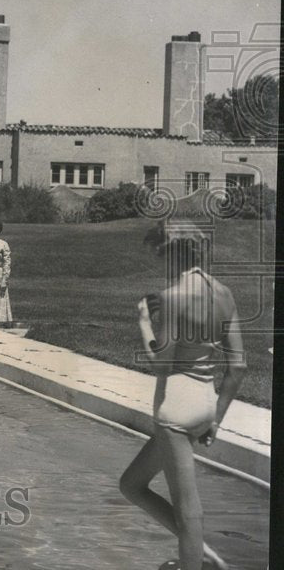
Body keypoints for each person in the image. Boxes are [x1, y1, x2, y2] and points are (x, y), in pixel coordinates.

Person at [119, 223, 246, 570]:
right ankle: (205, 555)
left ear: (170, 254)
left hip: (175, 410)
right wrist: (215, 418)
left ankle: (198, 562)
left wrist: (144, 322)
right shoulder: (224, 293)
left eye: (159, 255)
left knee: (189, 512)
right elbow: (238, 367)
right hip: (205, 405)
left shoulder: (173, 297)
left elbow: (161, 365)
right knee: (131, 484)